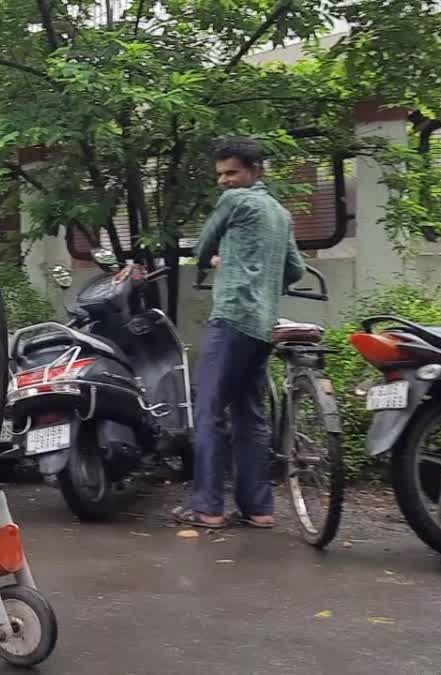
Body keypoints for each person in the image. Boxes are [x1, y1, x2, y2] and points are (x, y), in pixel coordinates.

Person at [173, 137, 305, 530]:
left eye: (231, 172)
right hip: (263, 325)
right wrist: (260, 273)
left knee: (210, 411)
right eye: (221, 174)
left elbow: (201, 248)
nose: (224, 181)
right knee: (251, 414)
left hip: (231, 317)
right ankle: (259, 509)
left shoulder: (236, 202)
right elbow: (294, 269)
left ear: (254, 171)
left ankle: (209, 508)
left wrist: (216, 259)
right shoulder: (280, 213)